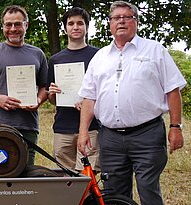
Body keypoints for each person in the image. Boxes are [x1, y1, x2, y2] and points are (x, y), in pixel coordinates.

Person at [77, 1, 186, 205]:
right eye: (116, 18)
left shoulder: (154, 50)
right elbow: (89, 97)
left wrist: (175, 127)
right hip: (110, 138)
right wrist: (83, 131)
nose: (121, 21)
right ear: (109, 24)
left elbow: (173, 90)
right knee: (114, 192)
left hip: (148, 135)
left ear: (136, 21)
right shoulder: (100, 57)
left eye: (127, 17)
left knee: (148, 188)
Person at [0, 5, 48, 165]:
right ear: (3, 27)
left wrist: (38, 100)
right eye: (8, 24)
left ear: (26, 25)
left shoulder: (37, 54)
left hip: (28, 126)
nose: (13, 29)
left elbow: (44, 87)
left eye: (17, 24)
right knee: (0, 173)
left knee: (27, 176)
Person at [47, 7, 100, 171]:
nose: (75, 27)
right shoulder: (55, 59)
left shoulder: (99, 56)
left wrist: (89, 102)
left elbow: (105, 91)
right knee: (65, 179)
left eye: (80, 23)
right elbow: (52, 100)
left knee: (87, 177)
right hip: (63, 127)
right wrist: (52, 94)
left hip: (91, 127)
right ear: (65, 28)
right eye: (71, 23)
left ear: (87, 27)